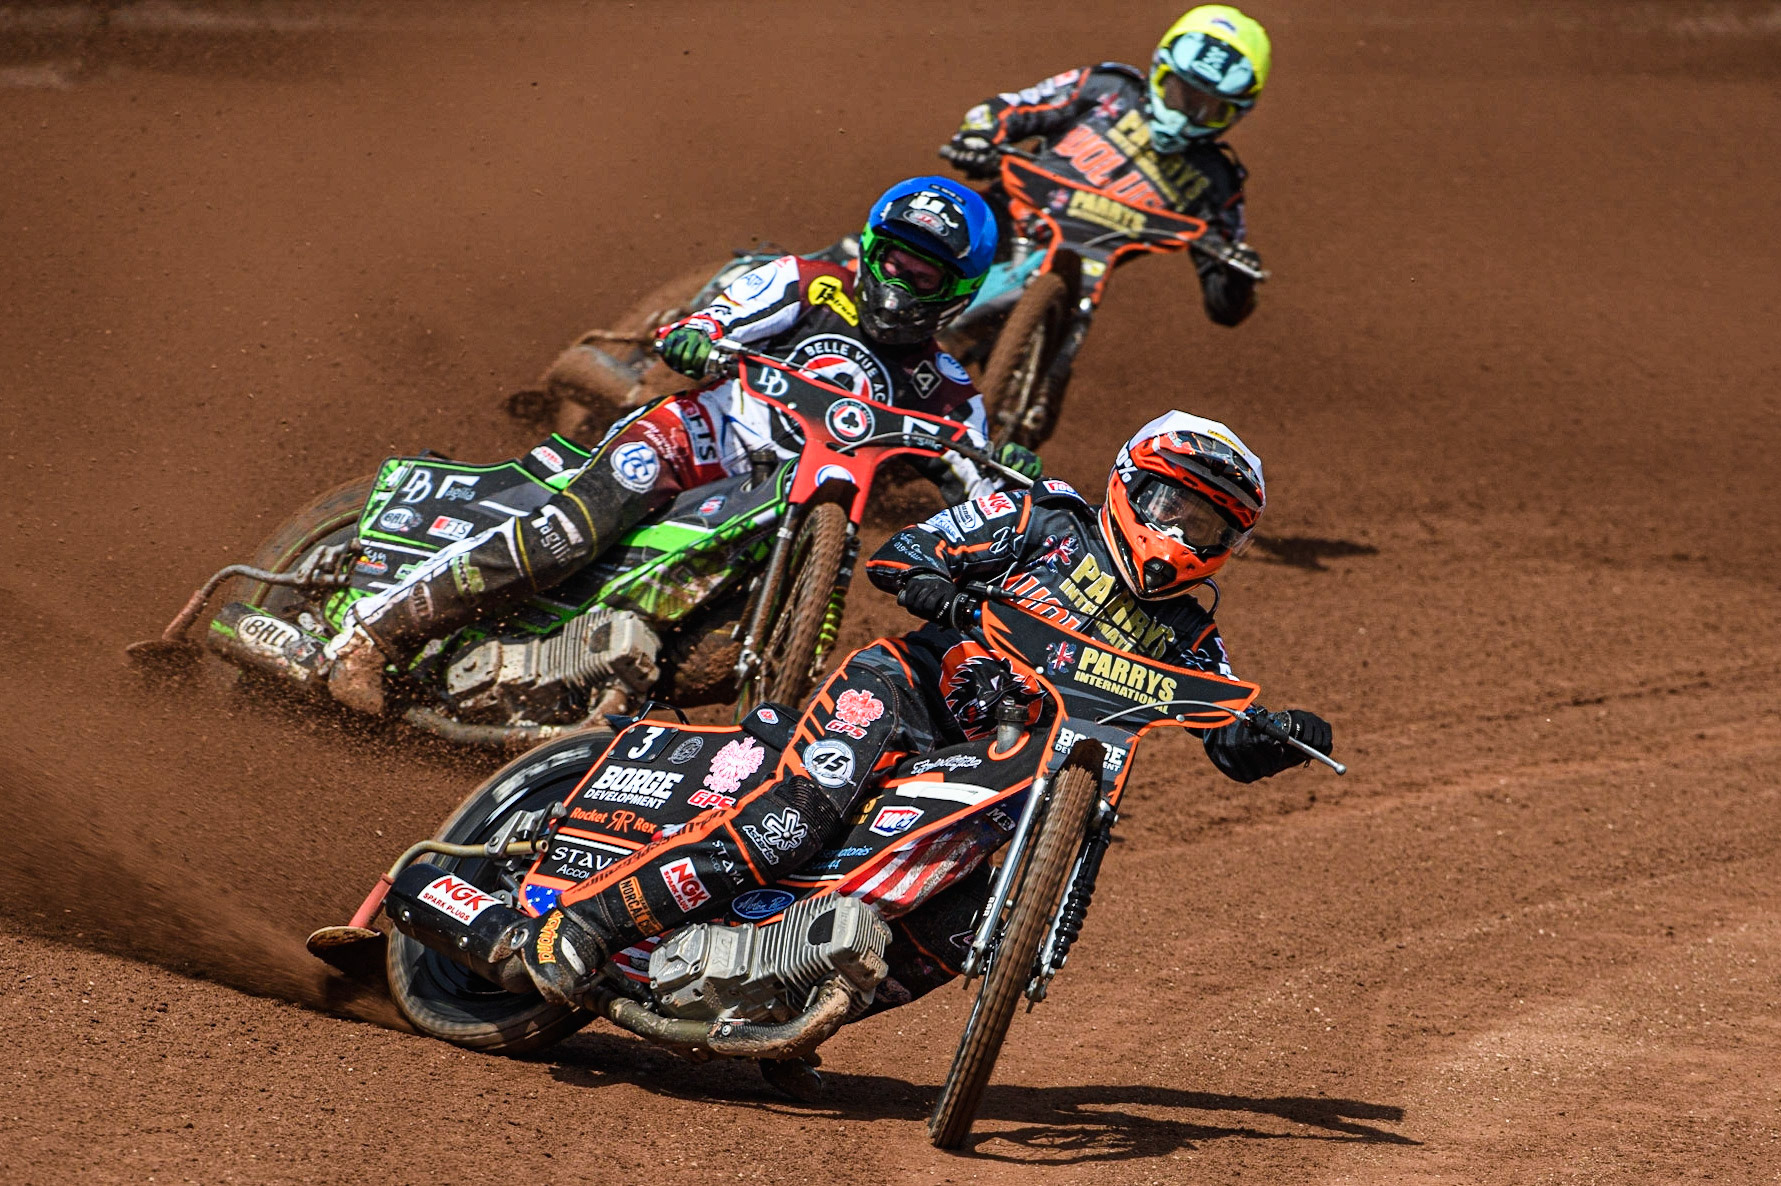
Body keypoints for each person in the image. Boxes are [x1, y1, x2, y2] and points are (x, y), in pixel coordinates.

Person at [508, 410, 1332, 1016]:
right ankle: (583, 922)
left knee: (958, 928)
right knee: (793, 819)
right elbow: (908, 552)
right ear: (1129, 486)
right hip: (906, 693)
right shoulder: (1045, 521)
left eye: (1205, 522)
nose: (1180, 531)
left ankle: (784, 1014)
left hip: (1014, 771)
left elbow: (1226, 734)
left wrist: (1282, 735)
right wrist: (937, 584)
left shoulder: (1189, 629)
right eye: (1169, 506)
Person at [324, 176, 1041, 713]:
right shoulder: (807, 283)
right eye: (894, 259)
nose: (899, 281)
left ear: (956, 291)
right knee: (571, 533)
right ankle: (372, 635)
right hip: (690, 443)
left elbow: (978, 481)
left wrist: (1004, 478)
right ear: (872, 249)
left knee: (718, 662)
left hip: (783, 514)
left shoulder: (944, 385)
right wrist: (698, 336)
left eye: (924, 275)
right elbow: (717, 317)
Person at [939, 5, 1272, 390]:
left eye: (1208, 108)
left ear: (1234, 115)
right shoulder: (1107, 88)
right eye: (1182, 93)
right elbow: (1009, 108)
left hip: (1077, 279)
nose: (1186, 115)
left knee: (1046, 388)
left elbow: (1225, 303)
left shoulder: (1218, 180)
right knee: (911, 230)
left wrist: (1238, 278)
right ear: (1160, 70)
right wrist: (978, 139)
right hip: (1007, 217)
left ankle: (1017, 423)